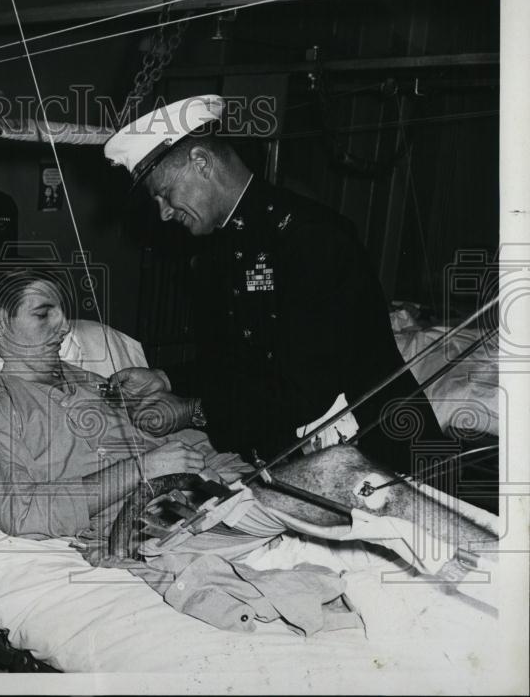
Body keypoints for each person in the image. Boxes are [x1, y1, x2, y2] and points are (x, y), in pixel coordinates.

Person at [0, 264, 364, 635]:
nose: (63, 326)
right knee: (338, 490)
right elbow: (19, 513)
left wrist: (244, 479)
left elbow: (187, 447)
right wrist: (140, 469)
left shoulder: (100, 385)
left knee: (338, 476)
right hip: (155, 527)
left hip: (220, 498)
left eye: (62, 312)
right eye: (43, 314)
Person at [103, 95, 442, 475]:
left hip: (382, 455)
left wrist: (193, 411)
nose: (164, 212)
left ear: (201, 162)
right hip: (307, 456)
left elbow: (306, 389)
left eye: (165, 194)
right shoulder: (219, 249)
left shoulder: (312, 238)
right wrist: (166, 378)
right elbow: (239, 359)